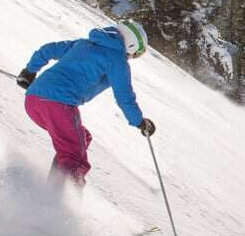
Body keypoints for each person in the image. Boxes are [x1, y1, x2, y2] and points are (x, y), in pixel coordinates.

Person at [16, 20, 155, 188]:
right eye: (137, 54)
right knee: (75, 156)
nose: (133, 57)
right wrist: (139, 121)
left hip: (33, 100)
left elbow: (49, 49)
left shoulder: (84, 43)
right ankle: (57, 204)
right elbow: (124, 97)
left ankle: (53, 186)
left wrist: (29, 72)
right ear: (131, 45)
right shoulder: (117, 61)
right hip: (59, 105)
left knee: (80, 139)